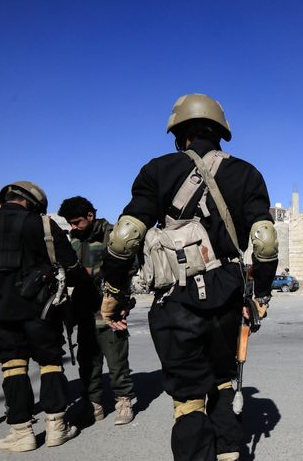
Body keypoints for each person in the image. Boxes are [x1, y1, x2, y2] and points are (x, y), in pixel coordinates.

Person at [100, 93, 279, 461]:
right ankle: (229, 453)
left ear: (180, 135)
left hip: (176, 298)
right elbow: (264, 242)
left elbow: (126, 236)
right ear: (220, 132)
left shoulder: (158, 169)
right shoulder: (247, 173)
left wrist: (114, 291)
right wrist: (261, 294)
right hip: (228, 293)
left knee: (189, 398)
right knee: (224, 379)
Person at [0, 181, 87, 452]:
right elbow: (71, 266)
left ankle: (22, 433)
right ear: (34, 202)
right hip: (41, 310)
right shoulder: (43, 225)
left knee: (12, 365)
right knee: (50, 363)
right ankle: (57, 427)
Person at [58, 196, 135, 425]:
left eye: (77, 222)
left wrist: (121, 304)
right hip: (83, 309)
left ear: (90, 215)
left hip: (110, 310)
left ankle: (123, 401)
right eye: (70, 223)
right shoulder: (72, 240)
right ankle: (94, 404)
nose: (73, 227)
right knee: (88, 363)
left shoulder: (114, 236)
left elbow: (130, 269)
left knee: (117, 361)